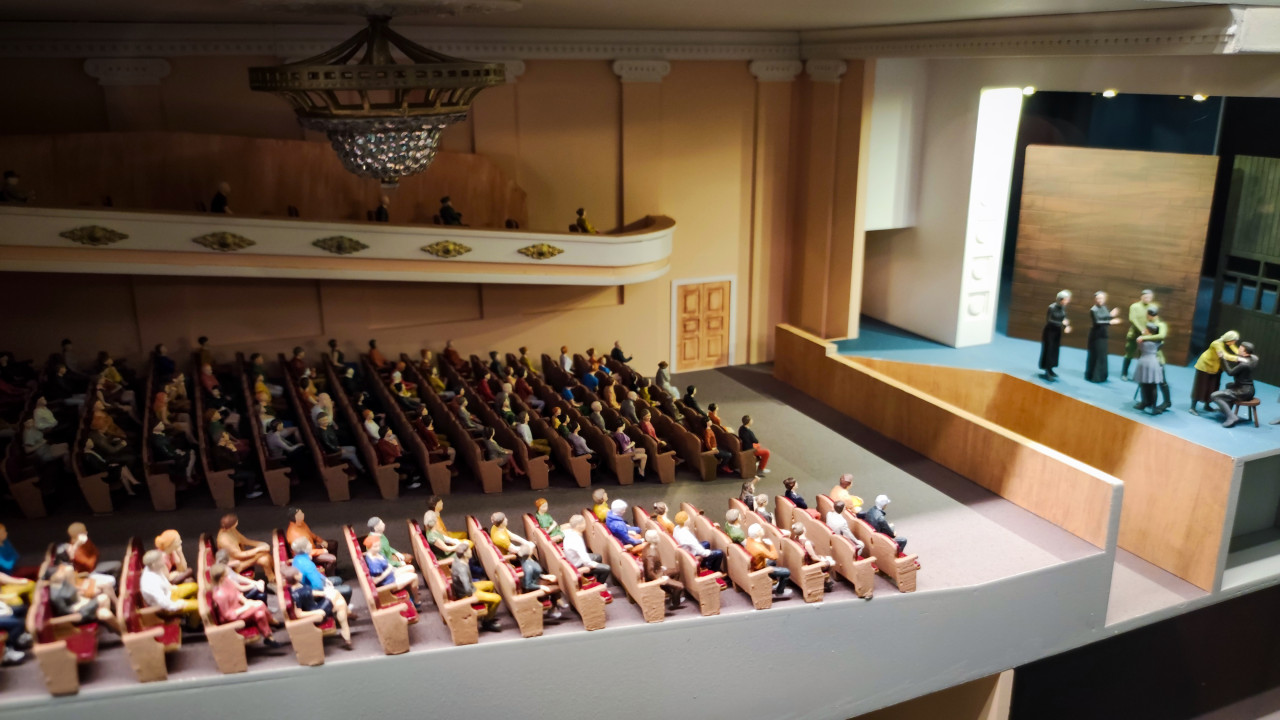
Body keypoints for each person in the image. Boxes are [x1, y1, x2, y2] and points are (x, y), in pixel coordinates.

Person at [290, 537, 355, 634]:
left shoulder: (297, 558)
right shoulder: (307, 564)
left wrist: (325, 579)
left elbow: (316, 574)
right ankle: (341, 611)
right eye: (308, 544)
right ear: (305, 548)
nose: (310, 545)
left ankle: (344, 608)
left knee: (338, 579)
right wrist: (326, 588)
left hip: (312, 585)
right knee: (347, 589)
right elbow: (317, 586)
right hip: (313, 592)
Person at [209, 563, 279, 646]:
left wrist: (246, 602)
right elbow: (228, 615)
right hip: (233, 617)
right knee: (260, 604)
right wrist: (246, 607)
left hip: (239, 607)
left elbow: (237, 594)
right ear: (221, 577)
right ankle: (271, 621)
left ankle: (269, 637)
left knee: (259, 614)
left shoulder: (226, 581)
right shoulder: (219, 595)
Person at [48, 563, 120, 633]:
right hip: (79, 613)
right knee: (104, 600)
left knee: (104, 611)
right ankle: (120, 627)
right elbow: (66, 612)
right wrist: (84, 605)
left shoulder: (62, 583)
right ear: (52, 577)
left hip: (80, 603)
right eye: (58, 572)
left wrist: (80, 591)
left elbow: (72, 591)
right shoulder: (56, 596)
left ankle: (117, 624)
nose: (61, 572)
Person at [140, 549, 200, 626]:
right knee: (198, 605)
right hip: (166, 607)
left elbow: (163, 579)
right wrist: (180, 604)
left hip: (169, 593)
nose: (163, 561)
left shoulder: (154, 568)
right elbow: (164, 603)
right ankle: (193, 626)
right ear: (154, 564)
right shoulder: (151, 584)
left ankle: (190, 614)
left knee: (194, 587)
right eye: (160, 560)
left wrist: (171, 587)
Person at [451, 544, 501, 631]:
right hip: (467, 594)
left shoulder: (459, 559)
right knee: (497, 598)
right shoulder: (462, 569)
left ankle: (488, 613)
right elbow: (467, 588)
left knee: (490, 584)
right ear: (464, 554)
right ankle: (487, 622)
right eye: (469, 550)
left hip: (470, 587)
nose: (471, 551)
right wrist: (473, 596)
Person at [1210, 342, 1260, 429]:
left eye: (1240, 349)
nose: (1238, 349)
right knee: (1228, 385)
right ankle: (1226, 409)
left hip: (1243, 391)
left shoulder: (1244, 365)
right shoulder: (1254, 359)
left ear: (1245, 353)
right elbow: (1251, 356)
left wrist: (1222, 358)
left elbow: (1230, 372)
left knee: (1214, 396)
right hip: (1249, 389)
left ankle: (1231, 417)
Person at [1191, 330, 1240, 415]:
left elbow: (1236, 350)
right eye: (1234, 341)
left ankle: (1207, 405)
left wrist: (1244, 355)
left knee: (1212, 387)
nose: (1234, 343)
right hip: (1205, 367)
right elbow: (1225, 355)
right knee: (1200, 387)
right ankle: (1192, 407)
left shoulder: (1229, 342)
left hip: (1216, 367)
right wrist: (1239, 358)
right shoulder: (1216, 343)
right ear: (1229, 339)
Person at [217, 514, 275, 583]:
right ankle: (273, 578)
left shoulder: (231, 530)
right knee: (263, 554)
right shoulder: (224, 540)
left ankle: (272, 575)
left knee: (265, 559)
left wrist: (260, 544)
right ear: (234, 524)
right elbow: (239, 555)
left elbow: (244, 540)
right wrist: (258, 549)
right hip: (236, 565)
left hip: (240, 559)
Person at [515, 543, 567, 619]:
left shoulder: (529, 560)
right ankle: (553, 608)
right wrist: (541, 587)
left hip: (536, 580)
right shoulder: (528, 567)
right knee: (558, 587)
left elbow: (536, 573)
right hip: (533, 587)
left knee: (556, 579)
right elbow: (527, 585)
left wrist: (544, 576)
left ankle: (557, 602)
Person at [363, 540, 419, 605]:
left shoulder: (376, 554)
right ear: (369, 548)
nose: (378, 547)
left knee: (410, 568)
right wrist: (388, 570)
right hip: (388, 584)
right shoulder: (374, 563)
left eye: (379, 545)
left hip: (390, 576)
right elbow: (375, 581)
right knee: (414, 577)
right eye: (375, 546)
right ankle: (416, 601)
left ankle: (411, 592)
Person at [65, 522, 120, 587]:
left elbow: (96, 551)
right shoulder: (75, 551)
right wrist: (95, 556)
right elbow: (90, 565)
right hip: (87, 573)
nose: (86, 532)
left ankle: (114, 585)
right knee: (111, 579)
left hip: (94, 566)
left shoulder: (85, 541)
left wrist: (94, 555)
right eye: (84, 532)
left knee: (118, 564)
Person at [562, 515, 611, 586]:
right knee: (606, 568)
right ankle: (599, 585)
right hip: (578, 565)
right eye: (584, 523)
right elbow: (586, 560)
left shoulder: (569, 532)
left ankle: (593, 577)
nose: (585, 525)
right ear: (579, 525)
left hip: (575, 559)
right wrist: (594, 564)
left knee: (598, 557)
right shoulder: (576, 540)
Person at [745, 525, 791, 599]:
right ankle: (780, 592)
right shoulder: (759, 548)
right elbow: (775, 556)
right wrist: (771, 544)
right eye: (761, 529)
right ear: (758, 533)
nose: (762, 529)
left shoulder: (749, 539)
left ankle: (774, 582)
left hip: (757, 564)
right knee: (786, 572)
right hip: (760, 569)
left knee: (772, 562)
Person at [642, 530, 685, 611]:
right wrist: (660, 579)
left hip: (659, 570)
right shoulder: (651, 554)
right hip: (656, 576)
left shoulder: (650, 546)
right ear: (654, 539)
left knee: (676, 571)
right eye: (657, 536)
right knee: (680, 586)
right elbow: (650, 572)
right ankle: (674, 603)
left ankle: (671, 592)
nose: (659, 537)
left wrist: (661, 567)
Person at [286, 507, 338, 574]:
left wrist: (320, 541)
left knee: (333, 544)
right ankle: (330, 575)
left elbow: (310, 534)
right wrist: (322, 551)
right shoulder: (294, 535)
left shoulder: (301, 523)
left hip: (312, 546)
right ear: (295, 517)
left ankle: (334, 569)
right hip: (307, 556)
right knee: (332, 559)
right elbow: (305, 552)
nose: (303, 514)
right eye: (300, 514)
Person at [1133, 317, 1167, 415]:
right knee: (1151, 386)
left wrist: (1144, 336)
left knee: (1145, 385)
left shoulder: (1141, 339)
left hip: (1144, 362)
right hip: (1152, 362)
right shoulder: (1158, 341)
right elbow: (1161, 342)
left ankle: (1146, 402)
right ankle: (1152, 405)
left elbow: (1139, 343)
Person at [1085, 291, 1121, 383]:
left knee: (1102, 355)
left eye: (1101, 298)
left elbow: (1105, 318)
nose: (1099, 300)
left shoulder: (1104, 307)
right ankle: (1094, 376)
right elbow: (1097, 322)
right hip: (1096, 335)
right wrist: (1110, 322)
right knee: (1096, 355)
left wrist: (1111, 315)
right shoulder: (1093, 310)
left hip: (1103, 334)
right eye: (1098, 298)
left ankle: (1102, 376)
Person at [791, 523, 836, 592]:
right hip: (810, 563)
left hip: (805, 560)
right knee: (831, 562)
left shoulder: (795, 538)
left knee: (828, 558)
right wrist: (823, 561)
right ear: (804, 529)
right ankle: (827, 581)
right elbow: (813, 557)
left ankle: (826, 579)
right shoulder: (807, 543)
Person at [1122, 289, 1156, 381]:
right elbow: (1133, 319)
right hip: (1134, 334)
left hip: (1146, 336)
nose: (1147, 299)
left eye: (1149, 297)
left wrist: (1150, 332)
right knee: (1129, 354)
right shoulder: (1135, 306)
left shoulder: (1153, 307)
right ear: (1142, 297)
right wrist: (1142, 330)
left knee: (1143, 356)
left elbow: (1155, 320)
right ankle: (1124, 373)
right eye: (1146, 297)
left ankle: (1140, 375)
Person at [1039, 290, 1071, 379]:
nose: (1068, 301)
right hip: (1050, 332)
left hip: (1057, 332)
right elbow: (1049, 320)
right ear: (1061, 299)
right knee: (1049, 350)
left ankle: (1051, 369)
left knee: (1054, 351)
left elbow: (1064, 317)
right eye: (1066, 299)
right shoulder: (1051, 307)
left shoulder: (1063, 307)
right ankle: (1047, 370)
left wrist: (1066, 325)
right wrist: (1062, 323)